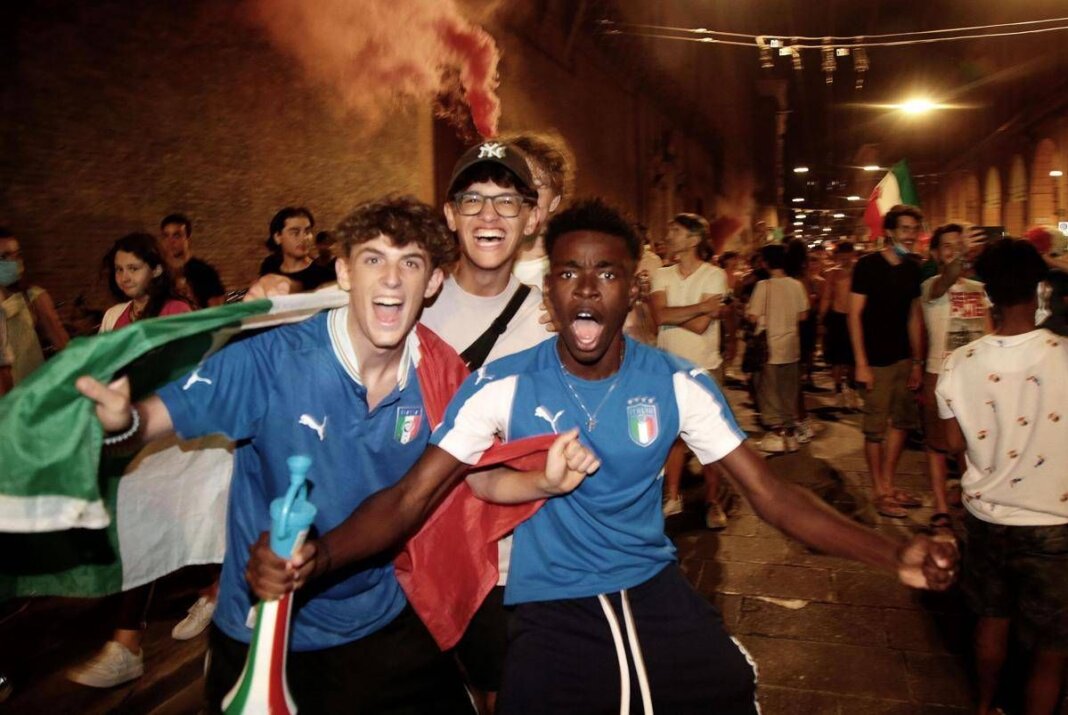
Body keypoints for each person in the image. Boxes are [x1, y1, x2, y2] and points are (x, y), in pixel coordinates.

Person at [245, 198, 957, 714]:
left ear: (632, 287)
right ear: (549, 289)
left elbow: (773, 497)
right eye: (569, 273)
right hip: (547, 604)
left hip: (652, 584)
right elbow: (409, 497)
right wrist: (318, 557)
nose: (586, 289)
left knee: (726, 690)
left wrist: (891, 553)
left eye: (607, 274)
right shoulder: (500, 385)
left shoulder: (677, 383)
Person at [76, 197, 476, 713]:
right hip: (262, 631)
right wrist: (122, 421)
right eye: (374, 258)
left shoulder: (440, 374)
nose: (392, 279)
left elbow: (410, 502)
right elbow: (150, 420)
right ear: (344, 272)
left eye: (411, 263)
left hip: (376, 619)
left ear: (434, 281)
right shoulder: (271, 358)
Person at [936, 238, 1068, 715]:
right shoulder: (1065, 354)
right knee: (1053, 645)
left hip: (987, 518)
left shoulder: (959, 362)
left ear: (988, 293)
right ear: (1040, 289)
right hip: (1055, 521)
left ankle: (986, 705)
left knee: (991, 620)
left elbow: (952, 443)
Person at [67, 233, 194, 688]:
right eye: (119, 269)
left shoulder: (176, 311)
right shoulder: (114, 316)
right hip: (126, 437)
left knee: (147, 525)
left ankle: (127, 644)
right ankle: (213, 588)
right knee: (151, 525)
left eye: (133, 268)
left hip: (165, 433)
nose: (124, 277)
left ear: (156, 269)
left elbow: (186, 372)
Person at [650, 213, 730, 528]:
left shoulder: (715, 275)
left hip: (703, 368)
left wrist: (675, 313)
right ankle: (672, 497)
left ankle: (713, 502)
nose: (668, 236)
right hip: (667, 369)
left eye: (675, 230)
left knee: (708, 439)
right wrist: (701, 307)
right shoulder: (661, 274)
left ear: (694, 239)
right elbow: (659, 317)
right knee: (673, 438)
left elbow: (699, 327)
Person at [848, 205, 925, 519]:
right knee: (875, 429)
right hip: (875, 361)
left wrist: (917, 361)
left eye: (914, 229)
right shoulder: (867, 266)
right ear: (890, 231)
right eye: (904, 228)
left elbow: (914, 317)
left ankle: (890, 486)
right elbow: (854, 316)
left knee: (902, 423)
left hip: (904, 358)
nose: (910, 235)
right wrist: (861, 362)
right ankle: (879, 491)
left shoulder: (913, 269)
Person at [919, 224, 991, 533]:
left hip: (975, 377)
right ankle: (940, 508)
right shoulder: (931, 287)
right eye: (947, 246)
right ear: (935, 253)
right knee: (937, 445)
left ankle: (969, 498)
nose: (952, 251)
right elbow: (947, 279)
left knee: (971, 443)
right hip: (940, 375)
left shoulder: (979, 289)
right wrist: (961, 255)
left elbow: (988, 330)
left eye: (958, 245)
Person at [747, 244, 809, 453]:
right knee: (789, 390)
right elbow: (803, 315)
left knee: (769, 391)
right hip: (791, 346)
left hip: (769, 347)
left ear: (765, 263)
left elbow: (753, 316)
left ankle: (777, 434)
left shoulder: (763, 286)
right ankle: (790, 434)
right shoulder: (796, 285)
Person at [504, 131, 575, 288]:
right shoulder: (479, 263)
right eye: (515, 183)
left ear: (554, 202)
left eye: (536, 186)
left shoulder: (569, 267)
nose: (524, 194)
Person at [0, 228, 69, 384]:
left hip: (31, 391)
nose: (13, 262)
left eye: (17, 255)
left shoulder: (33, 297)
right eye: (4, 257)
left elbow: (63, 344)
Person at [258, 207, 336, 291]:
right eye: (295, 233)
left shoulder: (326, 276)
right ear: (278, 237)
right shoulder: (269, 267)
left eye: (307, 232)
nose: (303, 238)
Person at [820, 240, 858, 409]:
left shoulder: (860, 271)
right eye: (842, 255)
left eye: (847, 255)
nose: (845, 259)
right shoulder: (832, 273)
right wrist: (821, 319)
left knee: (853, 358)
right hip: (837, 318)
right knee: (837, 359)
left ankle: (852, 390)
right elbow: (827, 297)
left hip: (855, 317)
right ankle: (838, 391)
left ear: (852, 254)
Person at [159, 214, 225, 309]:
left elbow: (217, 311)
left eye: (176, 236)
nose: (170, 241)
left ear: (188, 238)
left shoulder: (205, 272)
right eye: (166, 236)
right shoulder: (158, 272)